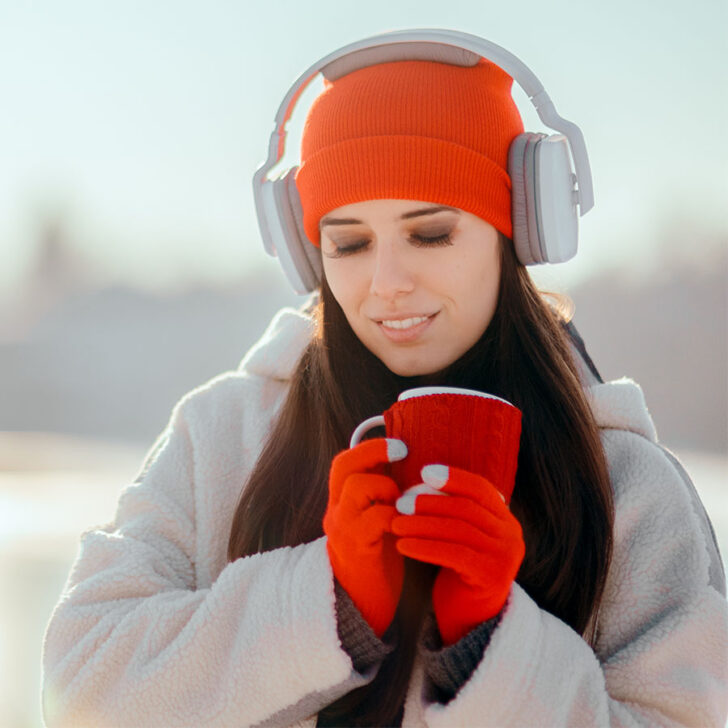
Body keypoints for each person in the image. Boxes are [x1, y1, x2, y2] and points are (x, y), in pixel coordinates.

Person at [41, 30, 728, 728]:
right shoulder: (219, 438)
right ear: (308, 250)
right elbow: (80, 693)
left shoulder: (627, 485)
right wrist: (323, 606)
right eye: (349, 243)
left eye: (430, 234)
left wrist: (493, 650)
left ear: (517, 228)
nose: (387, 284)